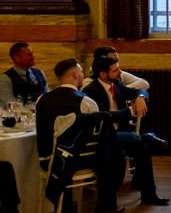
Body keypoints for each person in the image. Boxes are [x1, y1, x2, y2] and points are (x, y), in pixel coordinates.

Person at [35, 58, 126, 213]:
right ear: (75, 76)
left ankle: (66, 206)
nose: (83, 76)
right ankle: (107, 206)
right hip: (76, 162)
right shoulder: (86, 102)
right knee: (108, 153)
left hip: (48, 160)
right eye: (81, 73)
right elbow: (96, 138)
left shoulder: (41, 100)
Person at [82, 55, 169, 206]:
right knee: (138, 140)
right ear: (103, 74)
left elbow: (141, 89)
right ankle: (148, 137)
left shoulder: (116, 85)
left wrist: (141, 97)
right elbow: (105, 117)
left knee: (143, 147)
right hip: (104, 137)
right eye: (115, 70)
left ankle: (149, 195)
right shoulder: (92, 91)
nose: (119, 72)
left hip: (121, 134)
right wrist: (129, 111)